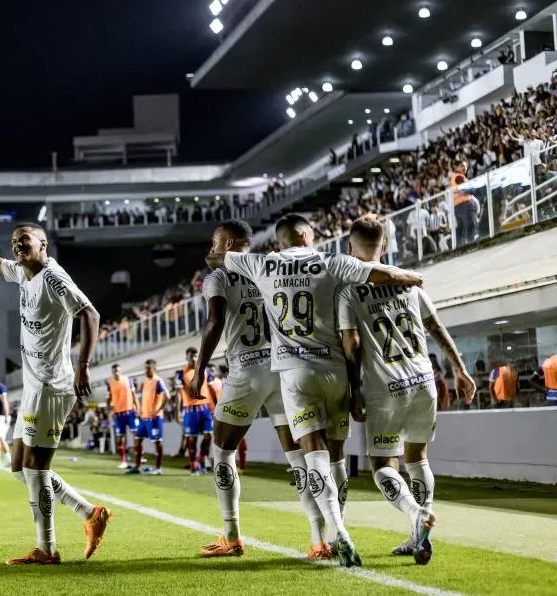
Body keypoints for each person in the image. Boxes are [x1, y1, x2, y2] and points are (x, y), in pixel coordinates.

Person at [204, 213, 424, 568]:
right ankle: (325, 537)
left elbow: (218, 260)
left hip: (291, 373)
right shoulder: (331, 261)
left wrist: (219, 254)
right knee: (334, 458)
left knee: (305, 457)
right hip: (334, 370)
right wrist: (415, 277)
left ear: (281, 241)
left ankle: (325, 532)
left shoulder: (260, 264)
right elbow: (382, 273)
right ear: (308, 237)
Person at [0, 207, 111, 565]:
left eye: (25, 241)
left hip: (51, 384)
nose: (17, 246)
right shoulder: (22, 273)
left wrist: (83, 366)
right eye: (15, 242)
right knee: (18, 466)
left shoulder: (53, 278)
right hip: (33, 386)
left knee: (36, 468)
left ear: (43, 244)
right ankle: (90, 513)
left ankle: (46, 549)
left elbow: (90, 314)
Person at [190, 219, 337, 560]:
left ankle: (231, 535)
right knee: (298, 459)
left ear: (226, 242)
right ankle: (318, 540)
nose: (211, 248)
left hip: (246, 372)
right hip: (281, 369)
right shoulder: (268, 268)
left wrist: (199, 369)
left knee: (223, 451)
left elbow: (214, 321)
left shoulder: (219, 277)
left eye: (215, 241)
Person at [338, 217, 476, 564]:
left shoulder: (348, 290)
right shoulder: (409, 282)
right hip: (423, 381)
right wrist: (459, 369)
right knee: (418, 458)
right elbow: (435, 327)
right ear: (384, 247)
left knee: (383, 465)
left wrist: (354, 391)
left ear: (350, 249)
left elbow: (352, 346)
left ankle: (416, 515)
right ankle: (418, 536)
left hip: (385, 389)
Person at [174, 348, 216, 475]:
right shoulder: (181, 373)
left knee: (208, 436)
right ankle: (193, 466)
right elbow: (179, 394)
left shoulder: (206, 370)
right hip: (190, 410)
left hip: (205, 409)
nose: (193, 358)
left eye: (195, 356)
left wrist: (217, 405)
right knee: (191, 438)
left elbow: (211, 389)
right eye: (191, 356)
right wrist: (177, 411)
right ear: (186, 357)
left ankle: (201, 461)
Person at [132, 359, 169, 475]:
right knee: (137, 441)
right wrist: (140, 410)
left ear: (154, 368)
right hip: (144, 418)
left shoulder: (158, 381)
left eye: (148, 368)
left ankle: (158, 468)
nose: (146, 371)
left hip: (155, 418)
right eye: (145, 368)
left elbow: (167, 396)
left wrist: (158, 410)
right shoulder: (145, 382)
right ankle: (138, 466)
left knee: (157, 443)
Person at [106, 364, 139, 471]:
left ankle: (138, 457)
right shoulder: (110, 383)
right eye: (114, 371)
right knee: (120, 437)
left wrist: (138, 408)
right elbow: (108, 399)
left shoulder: (127, 380)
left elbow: (134, 395)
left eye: (118, 371)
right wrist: (108, 412)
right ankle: (123, 461)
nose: (116, 372)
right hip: (118, 413)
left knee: (136, 435)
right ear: (112, 372)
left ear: (120, 371)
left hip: (131, 412)